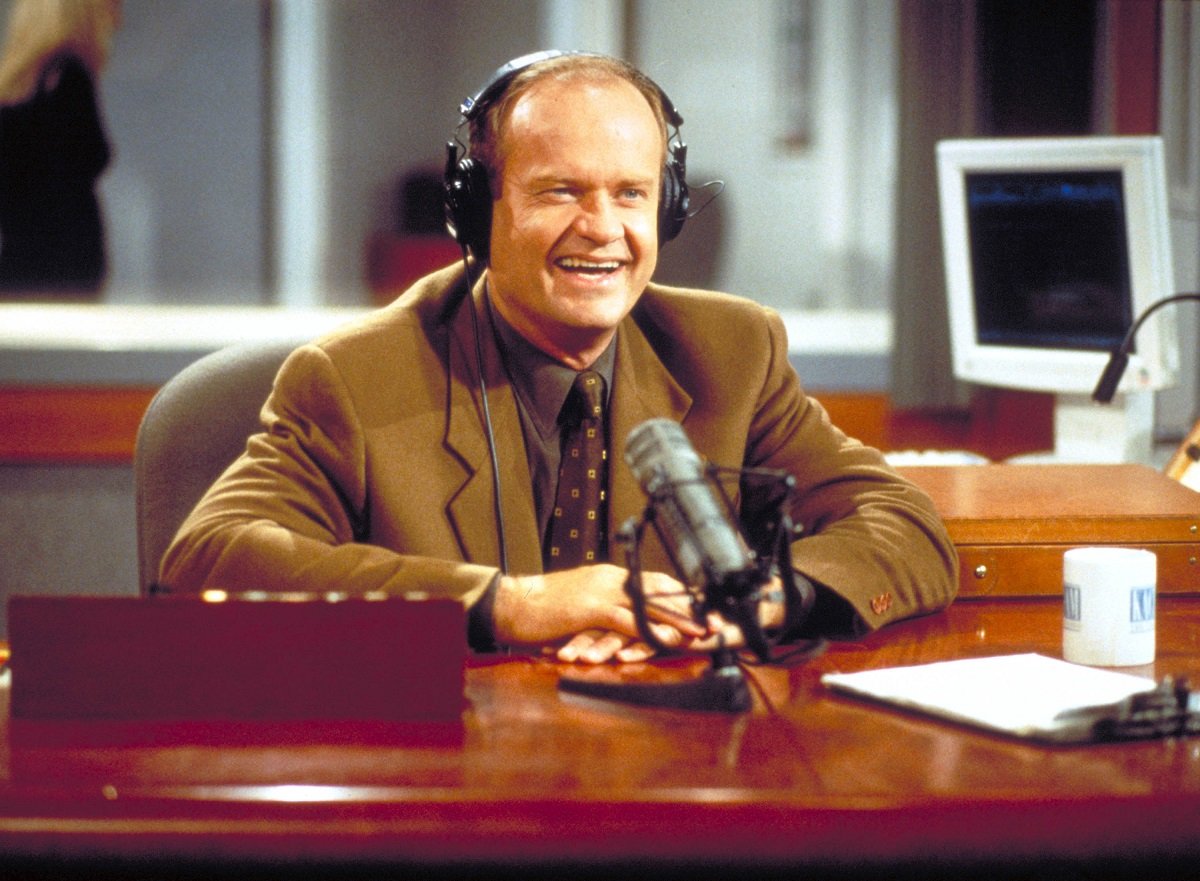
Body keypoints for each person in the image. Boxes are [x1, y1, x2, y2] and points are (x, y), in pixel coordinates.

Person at [160, 51, 958, 664]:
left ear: (667, 207)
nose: (603, 227)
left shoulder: (733, 352)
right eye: (560, 191)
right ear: (480, 211)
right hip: (448, 786)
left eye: (631, 193)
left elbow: (902, 524)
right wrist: (510, 604)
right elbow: (207, 557)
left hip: (660, 779)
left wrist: (771, 597)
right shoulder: (355, 376)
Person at [0, 0, 121, 299]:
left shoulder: (13, 90)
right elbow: (91, 154)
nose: (115, 17)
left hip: (20, 261)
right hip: (65, 266)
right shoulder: (67, 74)